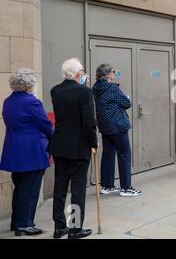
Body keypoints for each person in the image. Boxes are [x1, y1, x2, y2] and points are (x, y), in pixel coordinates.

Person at [0, 69, 53, 237]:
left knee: (20, 186)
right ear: (29, 85)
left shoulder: (8, 101)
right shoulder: (31, 102)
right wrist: (54, 137)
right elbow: (44, 124)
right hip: (31, 150)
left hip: (14, 149)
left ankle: (17, 221)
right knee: (30, 189)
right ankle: (25, 224)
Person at [49, 58, 98, 239]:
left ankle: (59, 227)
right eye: (82, 72)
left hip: (60, 145)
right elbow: (89, 123)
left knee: (59, 188)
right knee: (77, 191)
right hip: (79, 147)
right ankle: (75, 229)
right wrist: (94, 143)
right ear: (78, 73)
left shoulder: (55, 91)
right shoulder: (84, 92)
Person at [92, 64, 141, 197]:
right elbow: (126, 103)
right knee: (124, 154)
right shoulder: (112, 88)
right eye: (113, 71)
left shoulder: (96, 88)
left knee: (108, 154)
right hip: (118, 125)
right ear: (108, 74)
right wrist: (127, 98)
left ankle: (107, 186)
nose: (114, 73)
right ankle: (126, 188)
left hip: (105, 126)